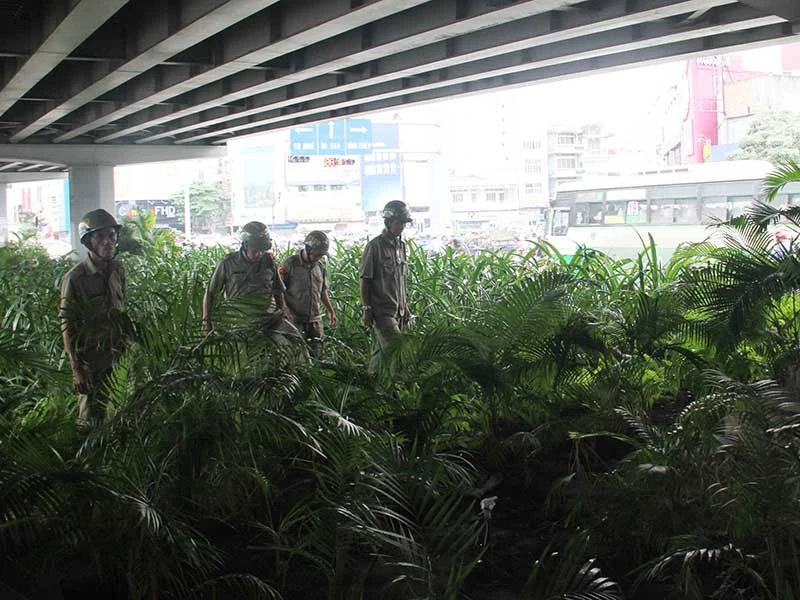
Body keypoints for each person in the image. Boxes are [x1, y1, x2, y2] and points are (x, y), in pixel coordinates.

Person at [60, 209, 129, 425]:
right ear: (89, 241)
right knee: (90, 418)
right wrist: (77, 369)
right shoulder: (75, 278)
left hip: (118, 356)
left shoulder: (118, 270)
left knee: (117, 415)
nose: (108, 242)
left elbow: (121, 309)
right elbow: (67, 325)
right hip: (91, 360)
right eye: (100, 237)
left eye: (111, 235)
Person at [202, 221, 304, 355]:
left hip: (269, 319)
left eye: (262, 250)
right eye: (255, 250)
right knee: (246, 357)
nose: (259, 254)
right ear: (245, 245)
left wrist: (282, 312)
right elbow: (210, 292)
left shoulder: (268, 262)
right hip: (240, 322)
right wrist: (206, 321)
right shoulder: (227, 264)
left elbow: (278, 291)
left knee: (296, 344)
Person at [359, 200, 413, 372]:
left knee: (381, 354)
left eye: (404, 223)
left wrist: (405, 306)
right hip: (382, 311)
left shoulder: (401, 246)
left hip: (399, 311)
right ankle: (398, 385)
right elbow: (365, 279)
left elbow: (401, 280)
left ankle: (372, 381)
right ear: (388, 222)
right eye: (400, 222)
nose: (402, 226)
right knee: (397, 353)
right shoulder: (374, 247)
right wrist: (366, 308)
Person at [278, 231, 338, 359]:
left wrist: (330, 311)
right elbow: (279, 290)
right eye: (317, 255)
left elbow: (322, 291)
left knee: (317, 355)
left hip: (315, 320)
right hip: (295, 320)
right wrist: (286, 312)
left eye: (321, 255)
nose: (319, 258)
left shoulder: (319, 267)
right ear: (308, 249)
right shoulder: (290, 264)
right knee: (296, 356)